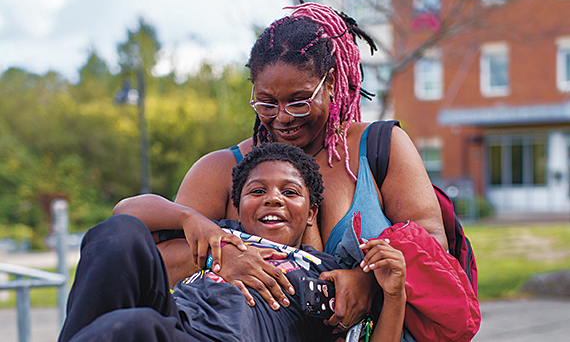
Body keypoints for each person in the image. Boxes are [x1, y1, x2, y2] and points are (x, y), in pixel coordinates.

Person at [114, 1, 478, 340]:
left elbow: (431, 248)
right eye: (267, 103)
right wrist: (223, 258)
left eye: (299, 101)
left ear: (331, 84)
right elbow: (153, 258)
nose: (283, 118)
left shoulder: (381, 149)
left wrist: (368, 284)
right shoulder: (221, 169)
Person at [58, 143, 407, 342]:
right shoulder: (217, 235)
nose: (273, 199)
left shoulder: (324, 272)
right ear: (237, 209)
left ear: (312, 212)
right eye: (257, 191)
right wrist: (189, 219)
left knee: (132, 328)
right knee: (120, 234)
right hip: (175, 321)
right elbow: (126, 212)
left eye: (289, 192)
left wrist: (393, 296)